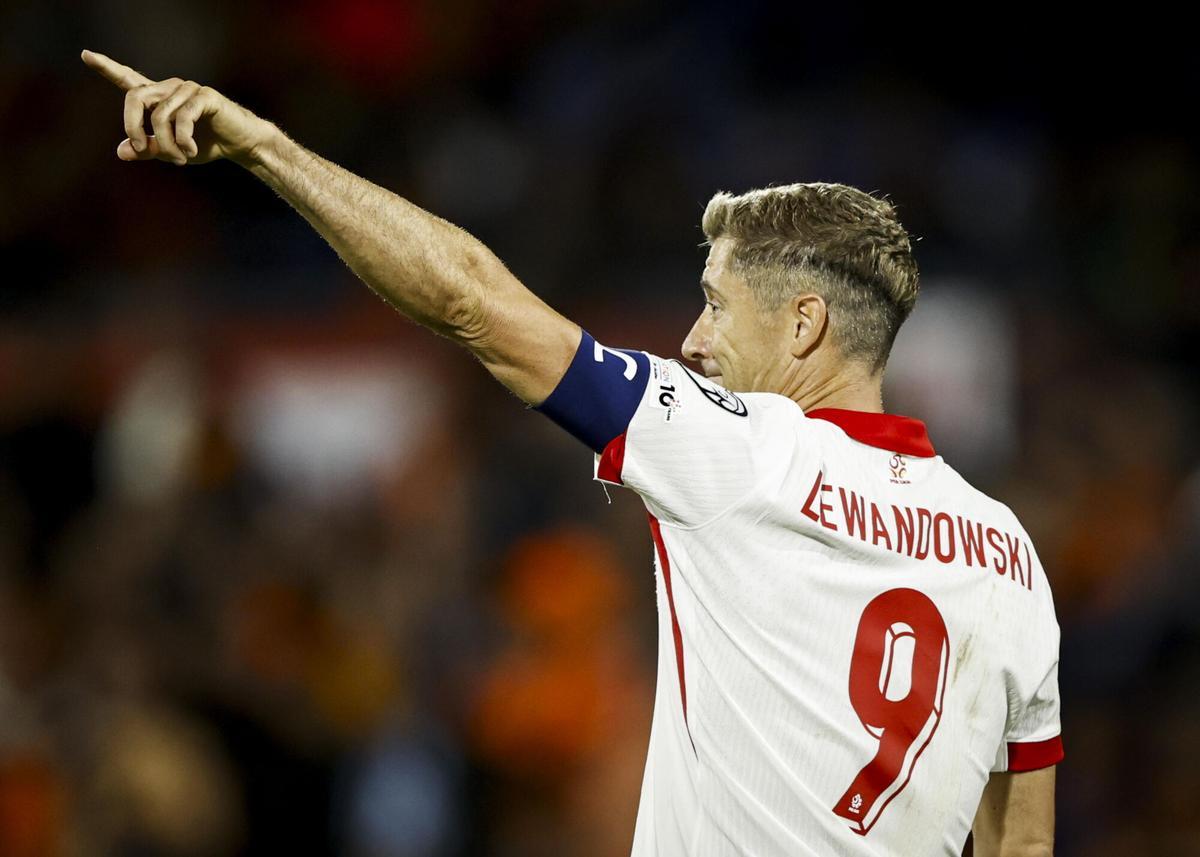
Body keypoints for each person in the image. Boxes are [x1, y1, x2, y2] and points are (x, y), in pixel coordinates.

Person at [81, 50, 1062, 856]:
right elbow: (1020, 841)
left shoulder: (739, 450)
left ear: (804, 324)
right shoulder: (1009, 554)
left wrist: (265, 148)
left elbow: (471, 298)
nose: (694, 341)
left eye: (717, 305)